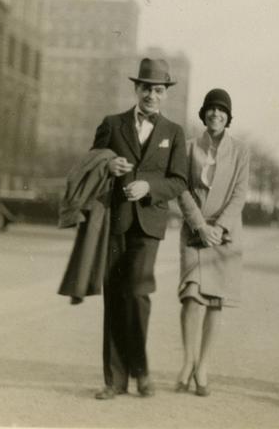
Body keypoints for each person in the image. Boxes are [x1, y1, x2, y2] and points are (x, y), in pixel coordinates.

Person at [91, 58, 188, 400]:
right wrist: (108, 164)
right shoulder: (112, 124)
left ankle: (142, 370)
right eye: (146, 87)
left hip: (149, 225)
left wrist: (148, 187)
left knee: (136, 289)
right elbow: (93, 164)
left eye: (158, 89)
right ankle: (114, 380)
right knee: (116, 295)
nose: (151, 94)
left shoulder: (174, 132)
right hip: (115, 222)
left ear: (165, 95)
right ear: (136, 89)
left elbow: (179, 181)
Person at [175, 88, 250, 396]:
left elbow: (239, 194)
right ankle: (188, 361)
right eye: (211, 109)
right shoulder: (189, 147)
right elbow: (181, 188)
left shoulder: (241, 150)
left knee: (215, 300)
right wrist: (200, 225)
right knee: (191, 296)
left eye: (221, 110)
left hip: (225, 235)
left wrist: (219, 227)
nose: (216, 114)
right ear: (204, 113)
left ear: (228, 116)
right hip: (195, 232)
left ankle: (203, 366)